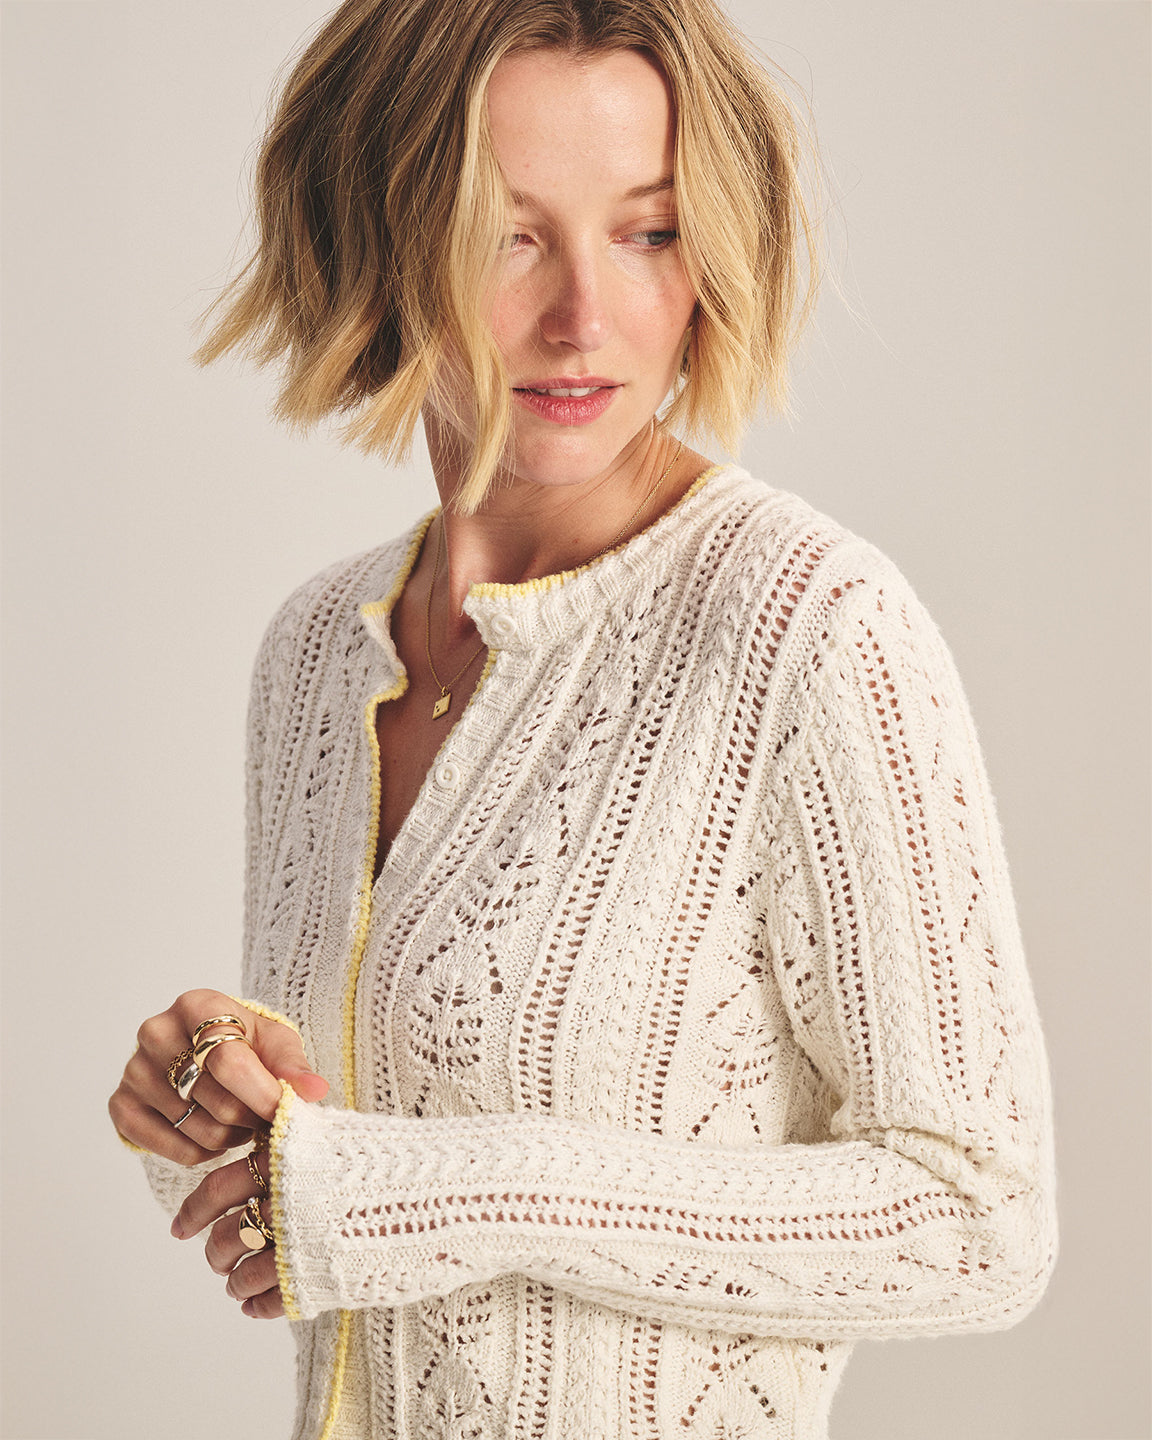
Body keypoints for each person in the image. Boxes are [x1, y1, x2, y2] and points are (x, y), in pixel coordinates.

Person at [108, 1, 1058, 1435]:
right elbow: (352, 1189)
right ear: (371, 233)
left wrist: (436, 1189)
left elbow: (979, 1222)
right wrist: (216, 1104)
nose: (584, 316)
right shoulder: (316, 652)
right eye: (508, 230)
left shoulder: (808, 627)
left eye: (650, 230)